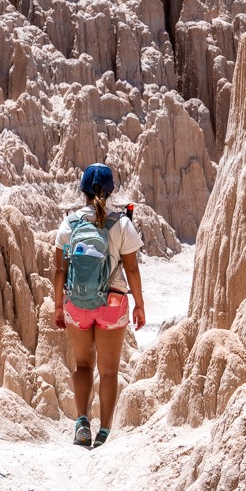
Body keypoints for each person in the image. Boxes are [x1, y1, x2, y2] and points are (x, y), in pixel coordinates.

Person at [53, 163, 146, 448]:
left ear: (82, 191)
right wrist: (139, 305)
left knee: (82, 365)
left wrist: (59, 306)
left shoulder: (70, 223)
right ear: (110, 191)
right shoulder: (122, 223)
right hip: (112, 303)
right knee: (108, 371)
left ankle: (82, 423)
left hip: (77, 304)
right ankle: (104, 432)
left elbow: (59, 269)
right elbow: (131, 269)